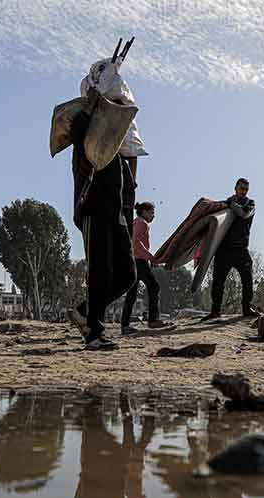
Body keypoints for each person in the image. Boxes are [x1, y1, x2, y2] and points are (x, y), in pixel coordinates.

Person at [66, 107, 137, 350]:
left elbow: (129, 185)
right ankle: (93, 333)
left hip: (116, 216)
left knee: (127, 275)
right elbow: (81, 137)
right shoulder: (85, 125)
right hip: (92, 210)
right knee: (100, 272)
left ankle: (84, 312)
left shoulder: (118, 150)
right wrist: (92, 108)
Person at [205, 178, 259, 320]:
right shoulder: (226, 204)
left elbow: (244, 214)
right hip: (223, 250)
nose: (243, 191)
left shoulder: (250, 204)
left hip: (241, 249)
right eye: (241, 188)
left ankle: (246, 308)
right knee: (217, 282)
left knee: (247, 280)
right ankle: (215, 311)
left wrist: (230, 204)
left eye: (246, 189)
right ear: (235, 188)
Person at [120, 202, 168, 335]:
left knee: (131, 294)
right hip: (139, 261)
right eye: (152, 212)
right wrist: (151, 257)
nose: (153, 216)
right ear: (145, 212)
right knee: (154, 287)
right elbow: (136, 243)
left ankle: (125, 325)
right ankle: (153, 320)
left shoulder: (135, 222)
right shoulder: (142, 223)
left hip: (132, 260)